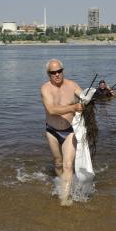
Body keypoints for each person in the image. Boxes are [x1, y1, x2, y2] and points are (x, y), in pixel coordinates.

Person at [41, 58, 83, 206]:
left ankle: (65, 199)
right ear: (48, 74)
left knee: (67, 165)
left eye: (60, 71)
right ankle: (62, 183)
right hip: (52, 131)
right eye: (53, 72)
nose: (57, 74)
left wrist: (98, 94)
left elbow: (85, 96)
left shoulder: (72, 85)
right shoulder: (45, 88)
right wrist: (72, 108)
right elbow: (51, 110)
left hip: (70, 131)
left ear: (63, 71)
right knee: (58, 163)